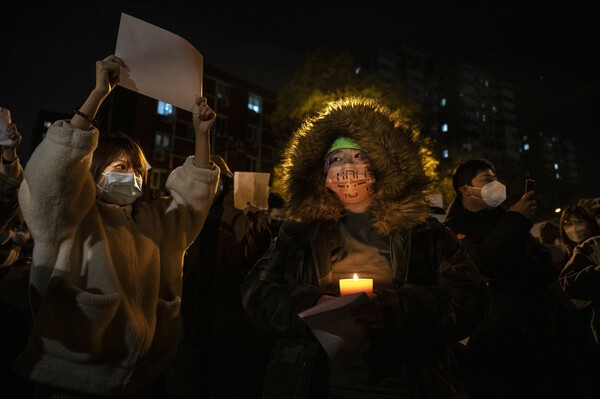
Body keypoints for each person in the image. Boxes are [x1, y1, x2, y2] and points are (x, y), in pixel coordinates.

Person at [241, 97, 488, 399]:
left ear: (382, 165)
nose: (347, 166)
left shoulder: (424, 232)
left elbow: (471, 297)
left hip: (410, 384)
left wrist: (397, 309)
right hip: (317, 385)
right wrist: (313, 306)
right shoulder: (299, 234)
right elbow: (255, 292)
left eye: (359, 156)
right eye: (336, 159)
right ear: (321, 175)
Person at [11, 55, 219, 397]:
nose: (132, 176)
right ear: (94, 171)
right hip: (71, 380)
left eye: (138, 170)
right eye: (121, 165)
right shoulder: (69, 215)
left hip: (142, 380)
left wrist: (201, 136)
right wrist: (97, 95)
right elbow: (53, 176)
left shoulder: (148, 223)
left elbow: (189, 204)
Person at [444, 158, 560, 399]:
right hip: (493, 338)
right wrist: (515, 220)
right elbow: (481, 265)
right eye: (488, 180)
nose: (496, 184)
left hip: (534, 327)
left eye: (496, 178)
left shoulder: (504, 219)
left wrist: (510, 267)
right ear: (465, 189)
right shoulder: (453, 228)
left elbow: (544, 264)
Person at [169, 155, 274, 398]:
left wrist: (255, 227)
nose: (212, 185)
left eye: (218, 179)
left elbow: (256, 257)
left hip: (226, 317)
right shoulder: (182, 210)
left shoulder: (239, 212)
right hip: (188, 318)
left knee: (222, 383)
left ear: (226, 181)